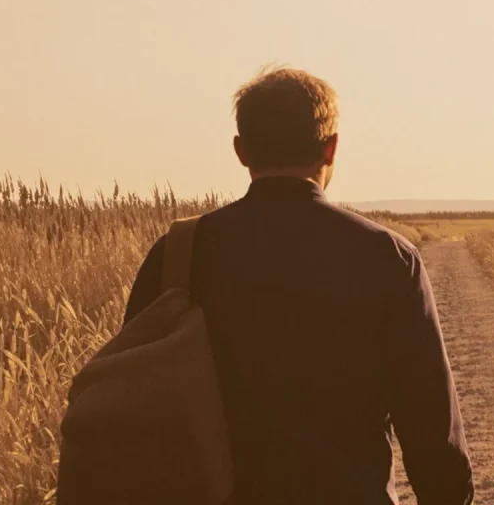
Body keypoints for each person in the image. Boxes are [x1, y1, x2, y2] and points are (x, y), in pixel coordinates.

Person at [123, 66, 474, 504]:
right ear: (331, 148)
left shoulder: (179, 254)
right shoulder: (386, 256)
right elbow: (429, 426)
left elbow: (133, 403)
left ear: (241, 151)